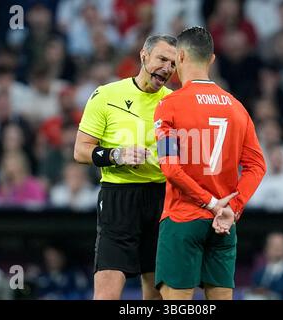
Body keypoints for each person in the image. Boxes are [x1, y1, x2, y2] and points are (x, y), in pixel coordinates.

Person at [153, 26, 266, 300]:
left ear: (180, 57)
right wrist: (231, 208)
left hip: (183, 219)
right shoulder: (237, 107)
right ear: (212, 59)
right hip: (224, 225)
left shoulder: (170, 105)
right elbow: (257, 166)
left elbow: (170, 167)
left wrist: (210, 203)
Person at [73, 34, 178, 300]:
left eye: (173, 64)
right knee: (107, 292)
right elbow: (81, 150)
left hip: (161, 198)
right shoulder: (106, 95)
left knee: (154, 292)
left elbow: (176, 156)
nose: (167, 68)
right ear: (144, 55)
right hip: (118, 197)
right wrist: (116, 155)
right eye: (162, 59)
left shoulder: (174, 102)